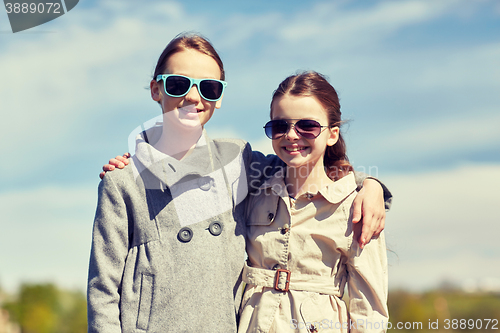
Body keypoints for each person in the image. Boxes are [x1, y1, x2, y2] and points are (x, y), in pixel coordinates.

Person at [89, 32, 390, 333]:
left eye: (208, 87)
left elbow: (305, 166)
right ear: (157, 89)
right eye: (179, 84)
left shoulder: (237, 161)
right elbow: (103, 290)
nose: (193, 97)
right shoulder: (124, 181)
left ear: (218, 98)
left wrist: (370, 185)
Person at [238, 71, 389, 333]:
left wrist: (372, 185)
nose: (292, 135)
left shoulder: (356, 207)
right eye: (280, 126)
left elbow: (369, 311)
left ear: (332, 134)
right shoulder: (252, 192)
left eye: (307, 126)